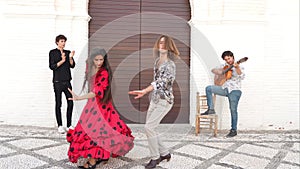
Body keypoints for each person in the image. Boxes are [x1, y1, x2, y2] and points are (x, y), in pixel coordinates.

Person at [67, 48, 134, 169]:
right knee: (90, 130)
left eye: (101, 59)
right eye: (96, 59)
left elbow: (97, 92)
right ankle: (101, 156)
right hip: (92, 105)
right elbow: (87, 65)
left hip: (101, 106)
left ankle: (93, 161)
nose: (99, 62)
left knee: (98, 132)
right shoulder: (91, 67)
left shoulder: (104, 72)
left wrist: (79, 97)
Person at [129, 35, 180, 169]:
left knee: (149, 128)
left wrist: (145, 90)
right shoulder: (157, 61)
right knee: (151, 128)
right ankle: (165, 153)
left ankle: (155, 158)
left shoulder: (170, 65)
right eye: (160, 42)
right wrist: (149, 93)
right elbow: (156, 81)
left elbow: (162, 82)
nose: (161, 45)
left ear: (169, 46)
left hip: (165, 100)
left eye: (164, 43)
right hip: (155, 99)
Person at [201, 50, 245, 137]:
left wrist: (237, 68)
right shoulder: (224, 66)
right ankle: (211, 109)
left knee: (233, 110)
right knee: (209, 88)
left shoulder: (239, 66)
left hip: (235, 91)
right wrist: (221, 72)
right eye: (226, 59)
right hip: (225, 89)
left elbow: (242, 76)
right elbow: (213, 70)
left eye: (229, 58)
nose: (228, 61)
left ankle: (233, 130)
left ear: (232, 57)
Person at [49, 34, 75, 134]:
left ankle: (69, 125)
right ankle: (60, 125)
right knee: (58, 103)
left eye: (64, 41)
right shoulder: (52, 52)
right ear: (57, 42)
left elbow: (72, 66)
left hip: (67, 81)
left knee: (70, 102)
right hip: (57, 82)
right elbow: (52, 66)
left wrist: (70, 58)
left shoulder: (67, 52)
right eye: (61, 41)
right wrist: (62, 60)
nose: (63, 43)